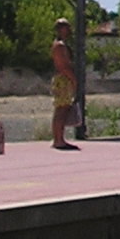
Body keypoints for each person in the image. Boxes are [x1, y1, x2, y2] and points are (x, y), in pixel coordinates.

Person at [50, 18, 78, 151]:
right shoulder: (60, 46)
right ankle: (58, 140)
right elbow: (63, 66)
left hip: (63, 78)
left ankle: (59, 138)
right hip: (63, 79)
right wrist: (73, 79)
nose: (69, 30)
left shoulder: (62, 44)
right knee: (62, 109)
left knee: (62, 108)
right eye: (67, 27)